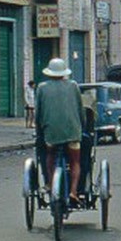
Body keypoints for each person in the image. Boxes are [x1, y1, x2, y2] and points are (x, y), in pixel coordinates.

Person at [35, 58, 85, 203]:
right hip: (73, 131)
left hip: (51, 133)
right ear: (64, 73)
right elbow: (80, 110)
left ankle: (50, 183)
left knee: (49, 154)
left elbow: (38, 113)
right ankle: (73, 191)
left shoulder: (42, 87)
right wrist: (82, 125)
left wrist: (39, 130)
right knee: (75, 161)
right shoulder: (74, 85)